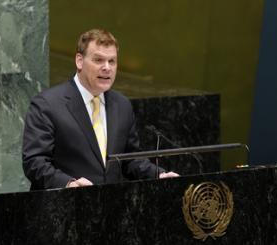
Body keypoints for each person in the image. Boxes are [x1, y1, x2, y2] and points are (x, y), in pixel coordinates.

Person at [22, 29, 178, 190]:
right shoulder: (47, 104)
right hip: (62, 208)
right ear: (79, 61)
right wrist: (68, 184)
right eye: (98, 60)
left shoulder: (122, 105)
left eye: (112, 61)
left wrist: (158, 175)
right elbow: (34, 162)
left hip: (107, 209)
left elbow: (129, 159)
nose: (107, 68)